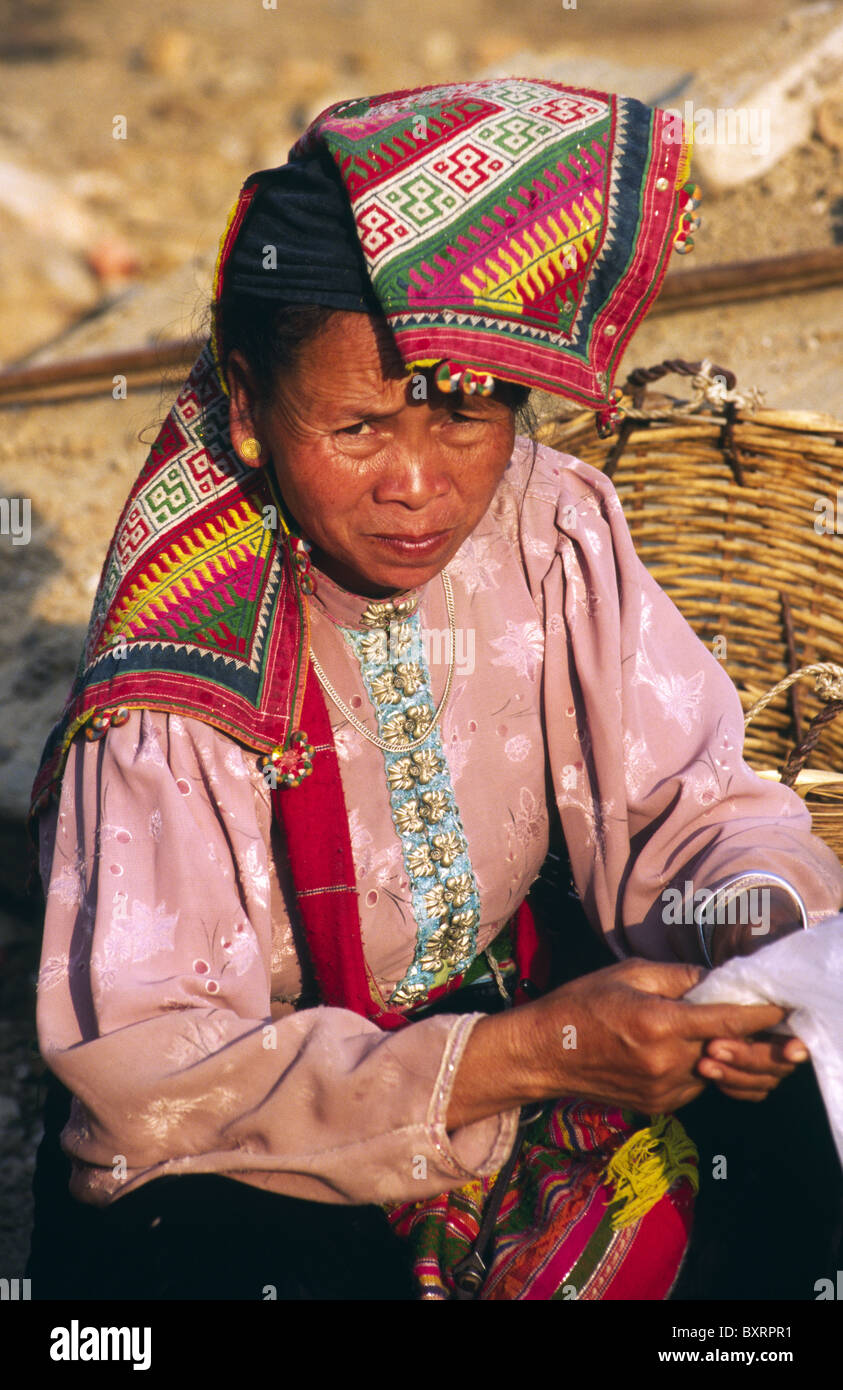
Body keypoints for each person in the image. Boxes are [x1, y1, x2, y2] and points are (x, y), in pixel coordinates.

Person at [27, 78, 843, 1301]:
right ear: (249, 405)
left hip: (525, 1018)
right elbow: (152, 1077)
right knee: (202, 1260)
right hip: (264, 1130)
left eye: (466, 417)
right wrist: (524, 1054)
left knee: (800, 1130)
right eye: (356, 429)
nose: (420, 484)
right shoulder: (177, 678)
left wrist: (753, 941)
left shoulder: (546, 526)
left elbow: (695, 804)